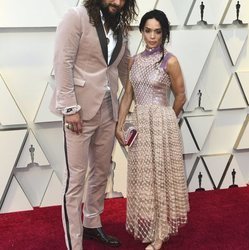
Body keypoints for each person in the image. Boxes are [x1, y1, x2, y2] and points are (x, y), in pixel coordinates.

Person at [50, 1, 137, 249]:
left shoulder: (120, 24)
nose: (117, 3)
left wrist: (140, 95)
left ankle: (91, 222)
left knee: (101, 171)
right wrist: (69, 109)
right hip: (79, 111)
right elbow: (62, 62)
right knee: (75, 180)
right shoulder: (76, 17)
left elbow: (123, 66)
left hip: (108, 110)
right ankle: (74, 244)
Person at [116, 9, 189, 250]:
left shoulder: (170, 60)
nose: (152, 36)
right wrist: (119, 125)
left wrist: (168, 119)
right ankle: (155, 228)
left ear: (165, 33)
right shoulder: (134, 61)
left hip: (161, 126)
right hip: (140, 125)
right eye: (148, 31)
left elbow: (180, 96)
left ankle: (160, 234)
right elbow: (128, 95)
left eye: (158, 31)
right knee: (145, 178)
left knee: (161, 179)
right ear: (142, 32)